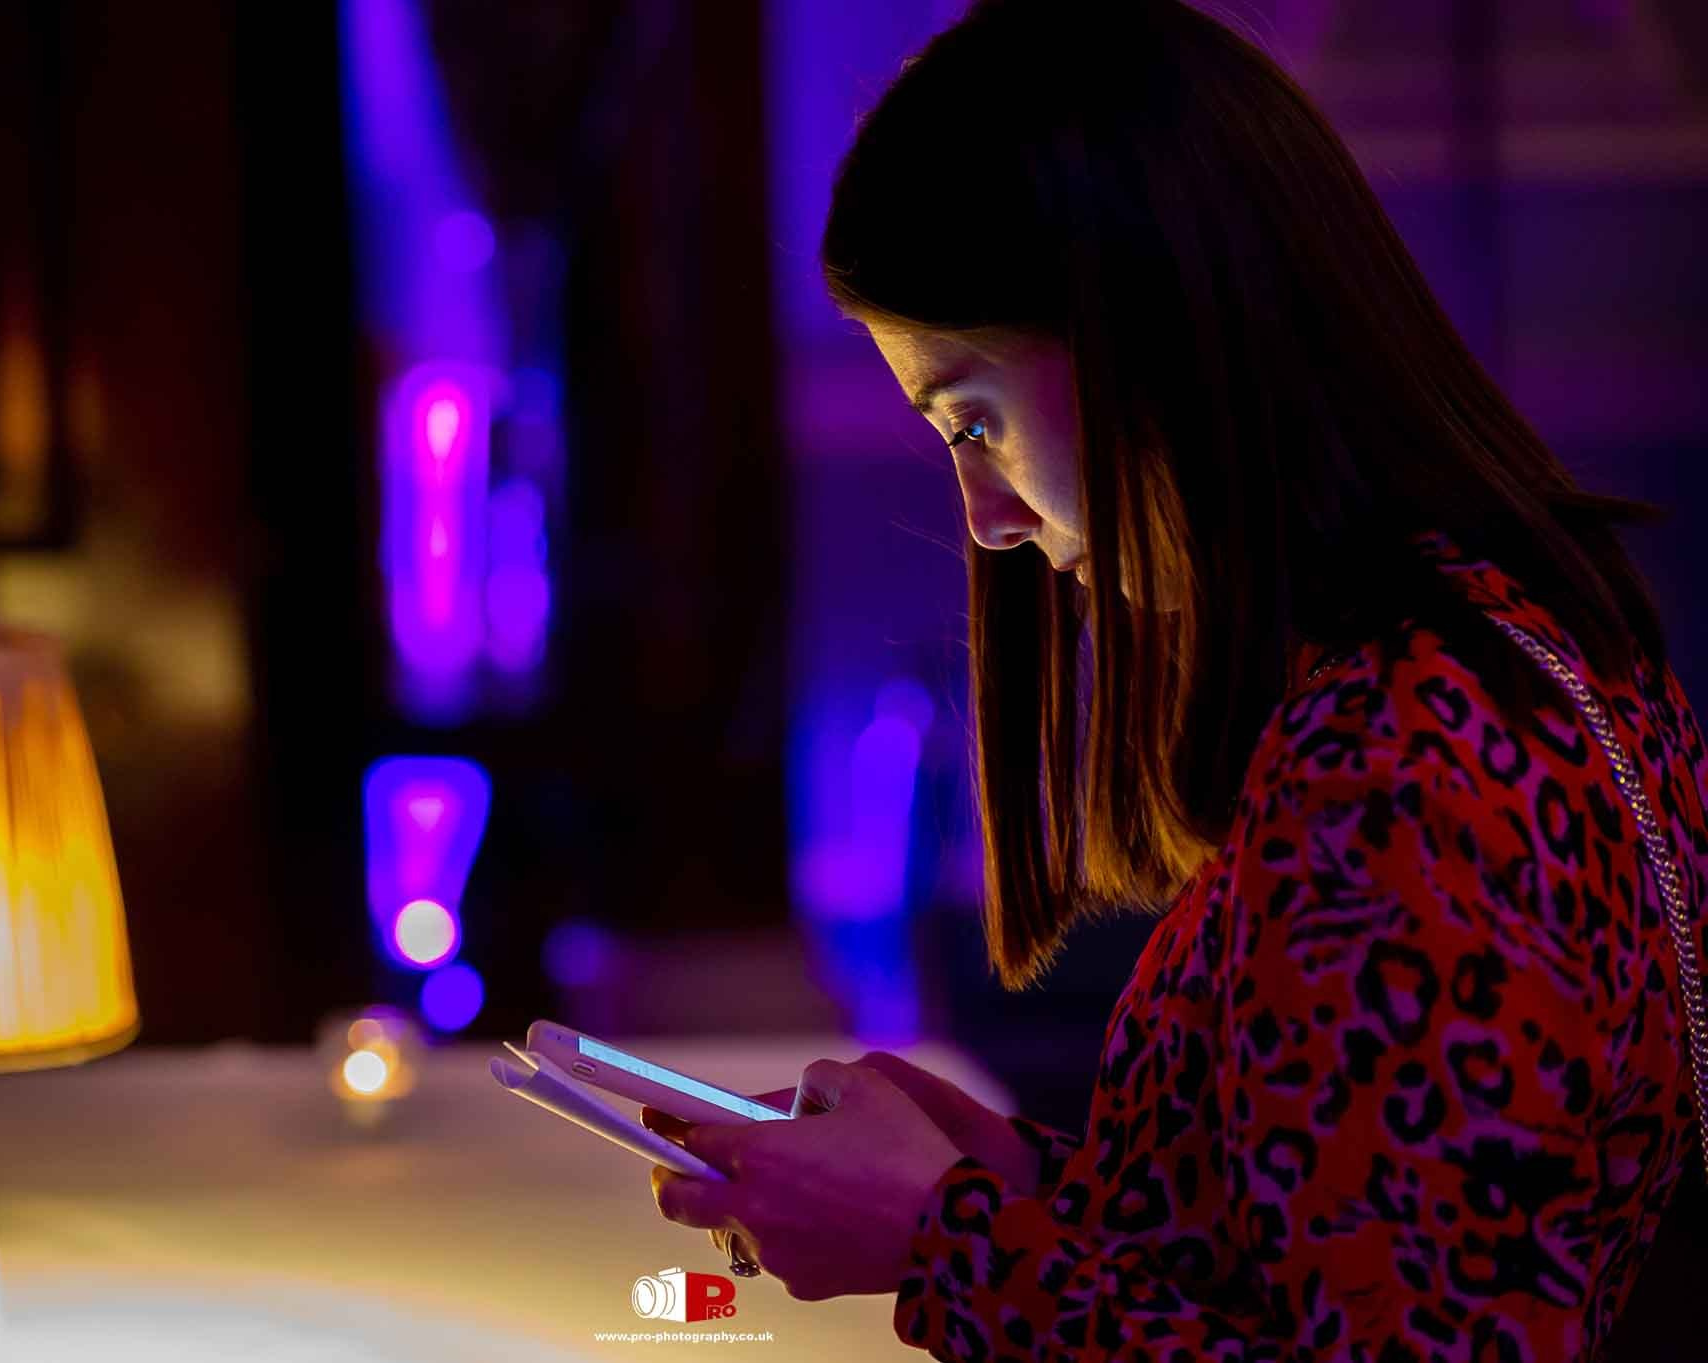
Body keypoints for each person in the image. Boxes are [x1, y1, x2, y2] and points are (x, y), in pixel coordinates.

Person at [644, 2, 1708, 1358]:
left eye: (975, 419)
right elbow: (1342, 1229)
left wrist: (946, 1245)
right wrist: (1035, 1193)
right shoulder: (1499, 646)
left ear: (1149, 333)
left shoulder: (1407, 757)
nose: (986, 519)